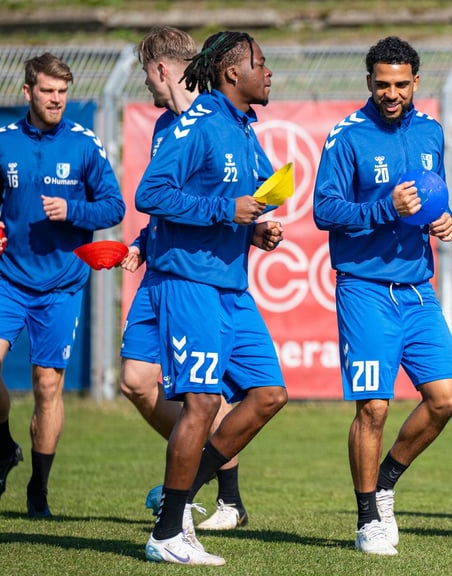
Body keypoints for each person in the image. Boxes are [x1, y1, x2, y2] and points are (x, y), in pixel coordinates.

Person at [135, 30, 288, 566]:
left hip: (231, 287)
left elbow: (255, 194)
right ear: (231, 73)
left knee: (269, 394)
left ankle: (176, 503)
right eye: (260, 64)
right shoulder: (197, 123)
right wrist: (227, 211)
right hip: (190, 282)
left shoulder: (243, 127)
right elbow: (150, 194)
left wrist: (255, 227)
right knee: (201, 403)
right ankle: (168, 534)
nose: (268, 73)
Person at [313, 36, 452, 556]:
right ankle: (367, 520)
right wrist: (385, 208)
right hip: (365, 288)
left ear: (415, 81)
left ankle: (385, 483)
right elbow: (324, 210)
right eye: (382, 84)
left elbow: (432, 196)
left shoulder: (431, 131)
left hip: (417, 288)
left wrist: (441, 218)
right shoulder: (346, 137)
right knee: (374, 408)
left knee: (445, 397)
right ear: (369, 83)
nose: (391, 93)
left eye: (401, 84)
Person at [0, 53, 124, 519]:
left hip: (61, 287)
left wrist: (73, 211)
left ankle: (38, 489)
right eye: (48, 91)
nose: (57, 100)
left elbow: (114, 206)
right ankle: (3, 449)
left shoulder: (84, 144)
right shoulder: (2, 142)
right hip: (10, 280)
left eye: (62, 92)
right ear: (28, 92)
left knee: (47, 385)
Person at [120, 25, 254, 532]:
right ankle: (200, 474)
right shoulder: (163, 126)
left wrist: (254, 223)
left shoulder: (216, 118)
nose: (146, 85)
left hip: (201, 276)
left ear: (161, 69)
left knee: (205, 393)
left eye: (147, 74)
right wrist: (142, 241)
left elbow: (240, 194)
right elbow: (164, 199)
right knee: (136, 381)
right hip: (160, 268)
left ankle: (217, 498)